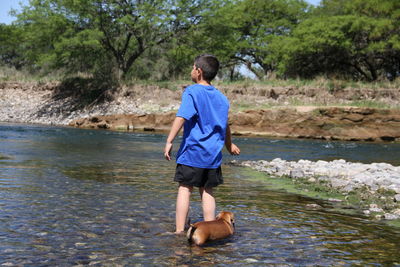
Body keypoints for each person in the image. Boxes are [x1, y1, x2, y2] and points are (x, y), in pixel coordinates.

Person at [164, 54, 240, 234]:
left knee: (185, 188)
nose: (191, 70)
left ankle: (179, 231)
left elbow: (182, 117)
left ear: (198, 71)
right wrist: (229, 146)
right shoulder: (222, 98)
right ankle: (211, 228)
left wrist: (169, 141)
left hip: (192, 151)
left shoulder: (192, 91)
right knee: (208, 191)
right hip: (213, 154)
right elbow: (225, 125)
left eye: (192, 67)